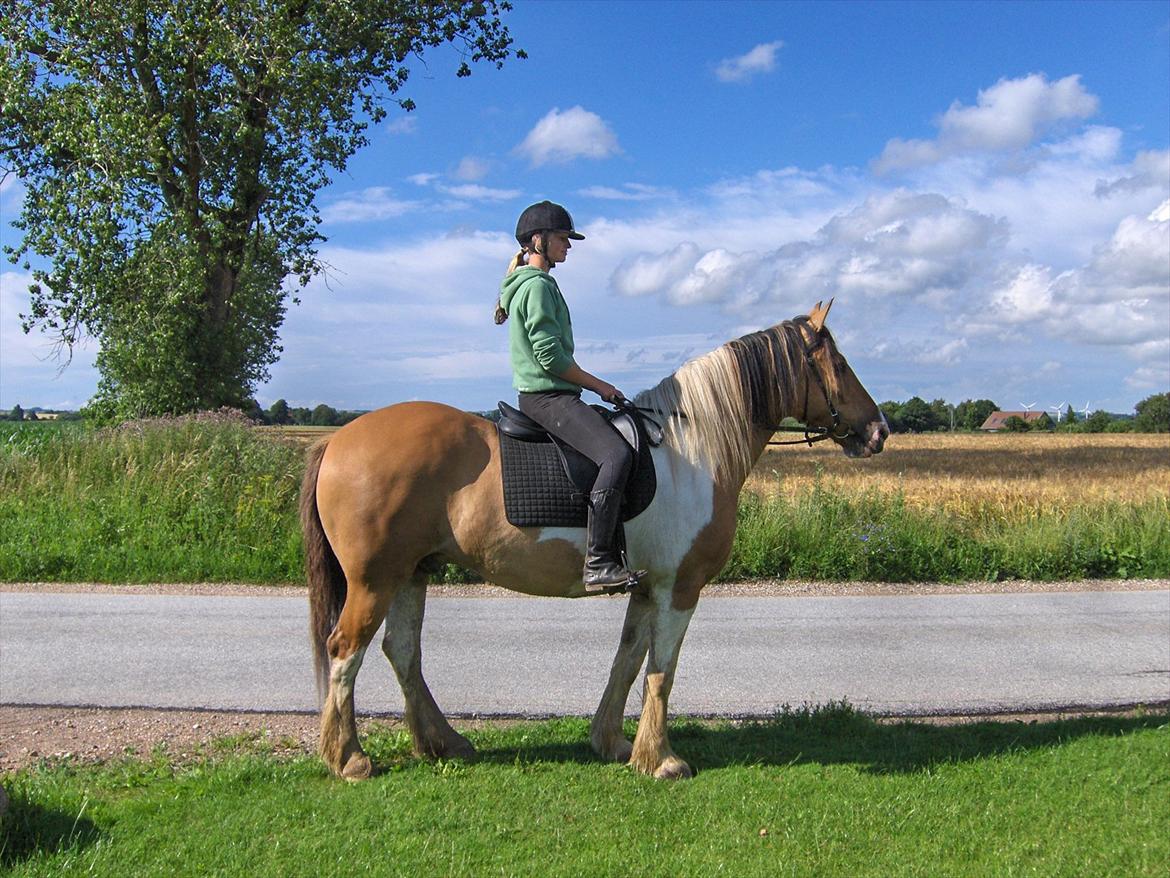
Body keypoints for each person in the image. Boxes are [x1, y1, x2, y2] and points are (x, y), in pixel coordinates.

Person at [495, 200, 644, 590]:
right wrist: (600, 386)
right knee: (615, 454)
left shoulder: (531, 284)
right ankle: (599, 562)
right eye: (563, 238)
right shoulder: (537, 287)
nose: (568, 246)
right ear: (538, 240)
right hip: (548, 398)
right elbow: (549, 357)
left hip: (548, 396)